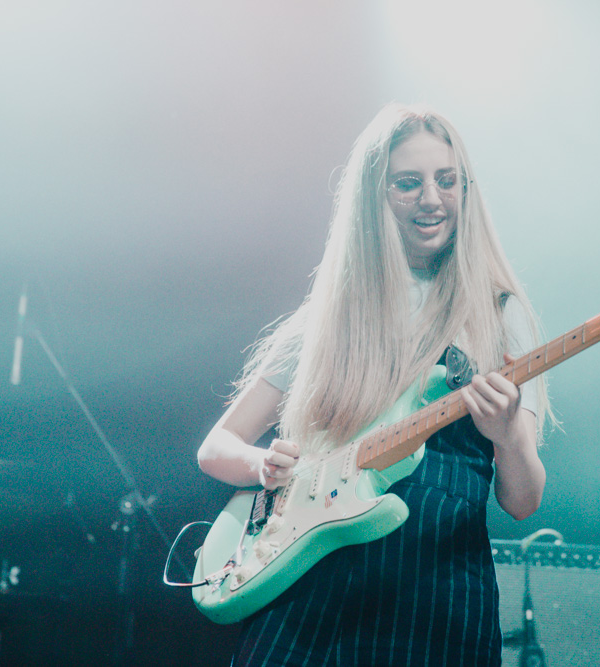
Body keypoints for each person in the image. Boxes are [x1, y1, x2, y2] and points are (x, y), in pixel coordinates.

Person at [197, 103, 551, 666]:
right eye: (408, 183)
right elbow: (216, 447)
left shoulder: (500, 315)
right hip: (312, 590)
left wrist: (508, 437)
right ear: (373, 196)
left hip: (439, 601)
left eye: (447, 180)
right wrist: (261, 467)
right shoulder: (327, 317)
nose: (431, 199)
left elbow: (524, 501)